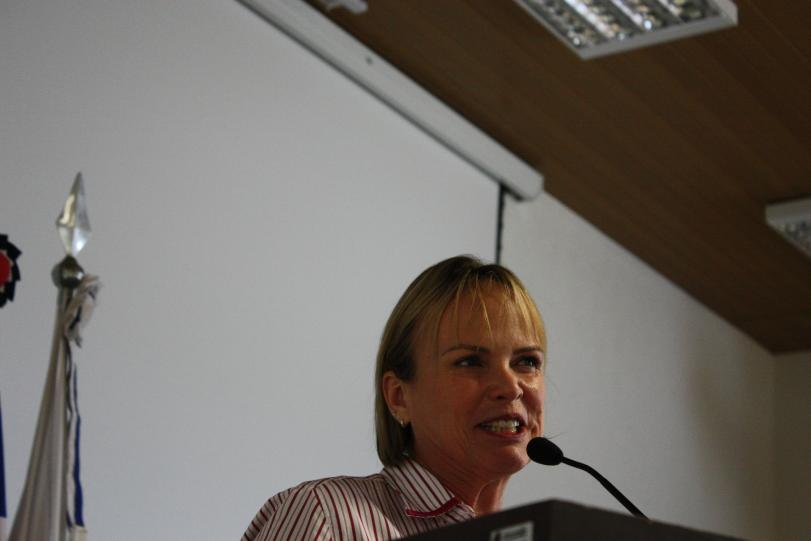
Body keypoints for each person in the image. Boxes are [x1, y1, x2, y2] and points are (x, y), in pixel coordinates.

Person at [241, 255, 546, 540]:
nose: (511, 387)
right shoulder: (328, 516)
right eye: (470, 362)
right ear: (399, 396)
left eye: (527, 361)